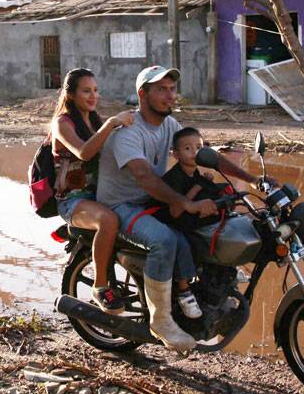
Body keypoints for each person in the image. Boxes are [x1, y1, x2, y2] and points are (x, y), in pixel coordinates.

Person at [96, 66, 249, 351]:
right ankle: (161, 319)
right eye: (161, 90)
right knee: (164, 240)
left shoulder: (169, 125)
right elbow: (145, 176)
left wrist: (253, 179)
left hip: (152, 200)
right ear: (143, 94)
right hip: (123, 205)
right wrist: (185, 202)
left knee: (213, 224)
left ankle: (207, 289)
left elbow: (205, 156)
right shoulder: (127, 131)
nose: (170, 96)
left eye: (172, 89)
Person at [50, 68, 135, 314]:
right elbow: (84, 152)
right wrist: (111, 124)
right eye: (86, 91)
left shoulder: (94, 120)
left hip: (101, 194)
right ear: (71, 94)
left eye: (96, 90)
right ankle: (99, 286)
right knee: (108, 220)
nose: (93, 96)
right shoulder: (62, 123)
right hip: (73, 200)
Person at [152, 126, 259, 262]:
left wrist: (204, 182)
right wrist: (198, 186)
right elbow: (175, 211)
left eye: (198, 147)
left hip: (188, 218)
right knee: (189, 247)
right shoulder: (175, 176)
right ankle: (184, 282)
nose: (194, 152)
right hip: (171, 222)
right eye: (187, 148)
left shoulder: (194, 171)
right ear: (176, 155)